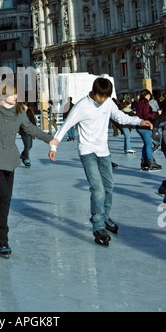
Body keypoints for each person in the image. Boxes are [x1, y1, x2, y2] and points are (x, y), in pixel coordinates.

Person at [49, 78, 152, 247]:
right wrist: (54, 145)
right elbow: (67, 125)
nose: (102, 100)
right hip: (87, 151)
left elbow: (121, 117)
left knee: (109, 186)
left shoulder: (108, 103)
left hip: (103, 151)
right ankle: (98, 225)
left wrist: (139, 121)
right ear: (94, 92)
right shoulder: (82, 106)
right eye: (100, 96)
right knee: (97, 188)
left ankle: (104, 216)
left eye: (106, 97)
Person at [0, 82, 56, 258]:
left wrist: (49, 139)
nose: (16, 96)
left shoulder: (18, 111)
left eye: (16, 93)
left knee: (6, 198)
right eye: (12, 94)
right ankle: (2, 239)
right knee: (5, 196)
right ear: (2, 96)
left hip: (10, 158)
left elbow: (30, 128)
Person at [135, 89, 162, 171]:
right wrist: (156, 113)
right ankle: (151, 161)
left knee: (146, 144)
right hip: (144, 125)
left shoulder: (139, 103)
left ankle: (144, 161)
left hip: (138, 125)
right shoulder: (145, 103)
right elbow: (146, 115)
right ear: (147, 95)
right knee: (149, 144)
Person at [19, 103, 36, 167]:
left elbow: (33, 121)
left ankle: (23, 155)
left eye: (25, 106)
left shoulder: (30, 112)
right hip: (23, 132)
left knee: (30, 146)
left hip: (30, 131)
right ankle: (26, 160)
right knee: (26, 145)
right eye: (23, 106)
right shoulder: (20, 113)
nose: (24, 107)